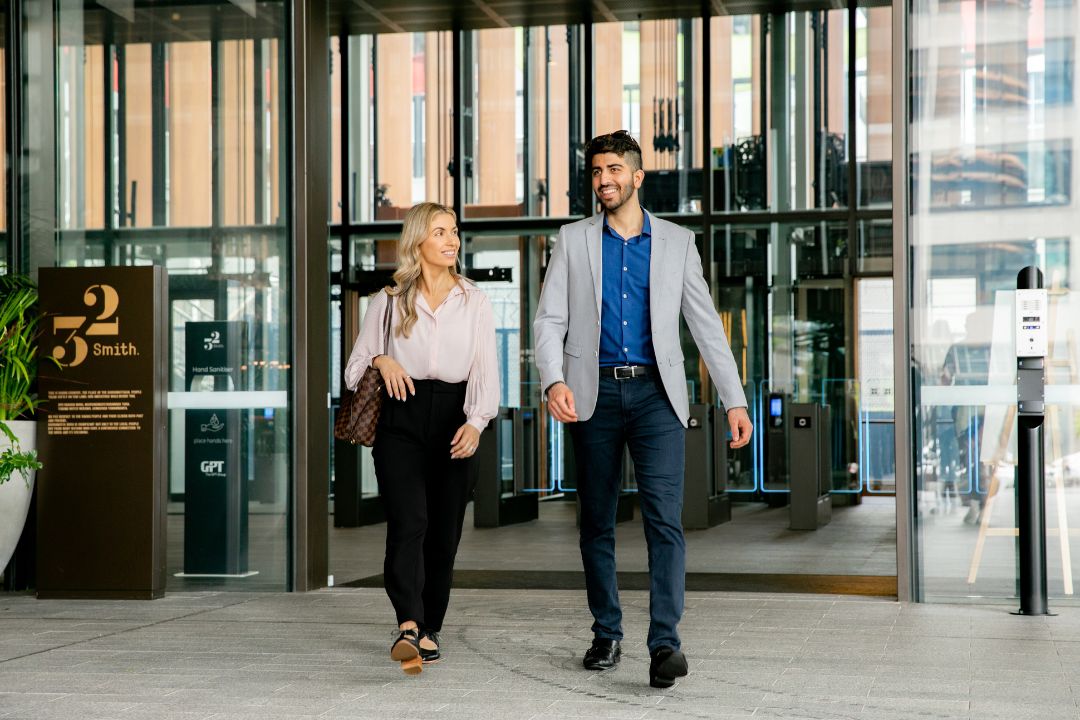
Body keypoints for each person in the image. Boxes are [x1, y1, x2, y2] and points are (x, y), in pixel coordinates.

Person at [533, 130, 753, 688]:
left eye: (613, 170)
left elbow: (706, 325)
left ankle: (664, 645)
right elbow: (548, 320)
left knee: (664, 521)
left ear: (637, 176)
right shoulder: (573, 239)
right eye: (596, 172)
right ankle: (606, 632)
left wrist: (734, 400)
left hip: (658, 395)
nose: (603, 180)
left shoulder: (677, 243)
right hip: (593, 393)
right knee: (597, 522)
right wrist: (553, 379)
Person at [344, 202, 499, 675]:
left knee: (444, 532)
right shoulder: (387, 301)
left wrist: (476, 422)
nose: (452, 240)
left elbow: (486, 373)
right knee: (409, 523)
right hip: (401, 423)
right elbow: (353, 371)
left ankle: (432, 626)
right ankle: (408, 624)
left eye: (454, 232)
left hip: (456, 420)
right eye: (440, 232)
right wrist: (381, 361)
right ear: (418, 242)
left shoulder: (474, 300)